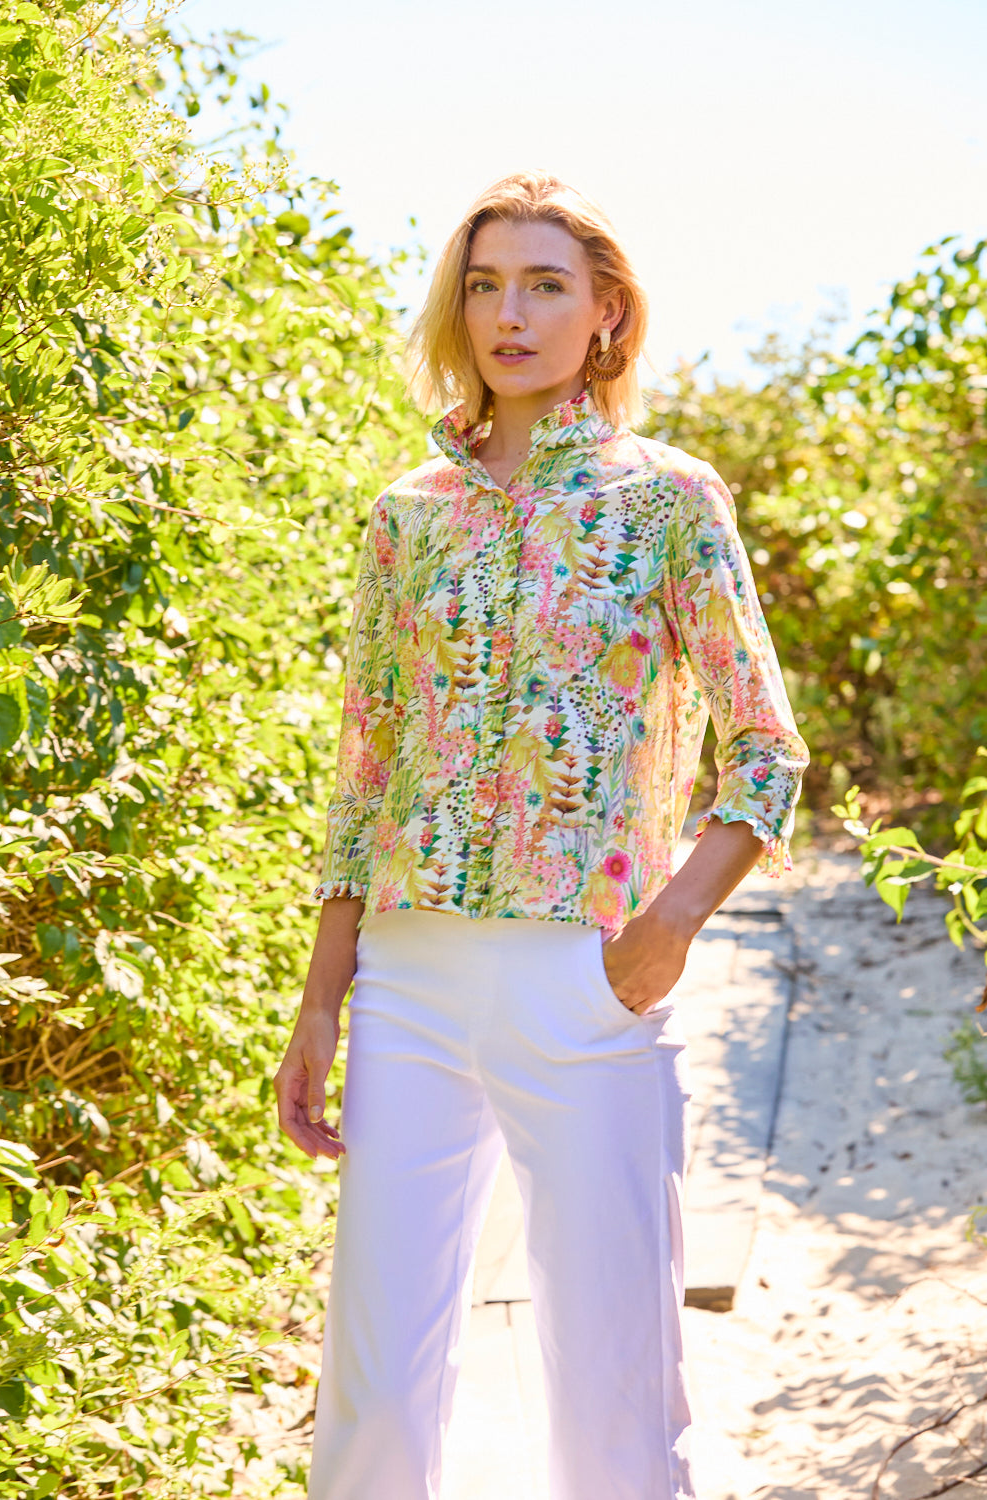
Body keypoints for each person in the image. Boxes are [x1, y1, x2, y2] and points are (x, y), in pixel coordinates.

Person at [273, 170, 809, 1500]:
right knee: (375, 1386)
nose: (509, 315)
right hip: (407, 981)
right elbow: (366, 772)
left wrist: (667, 927)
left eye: (544, 286)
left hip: (586, 977)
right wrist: (323, 1000)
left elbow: (765, 747)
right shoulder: (406, 513)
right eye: (484, 286)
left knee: (614, 1383)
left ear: (606, 312)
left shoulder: (668, 499)